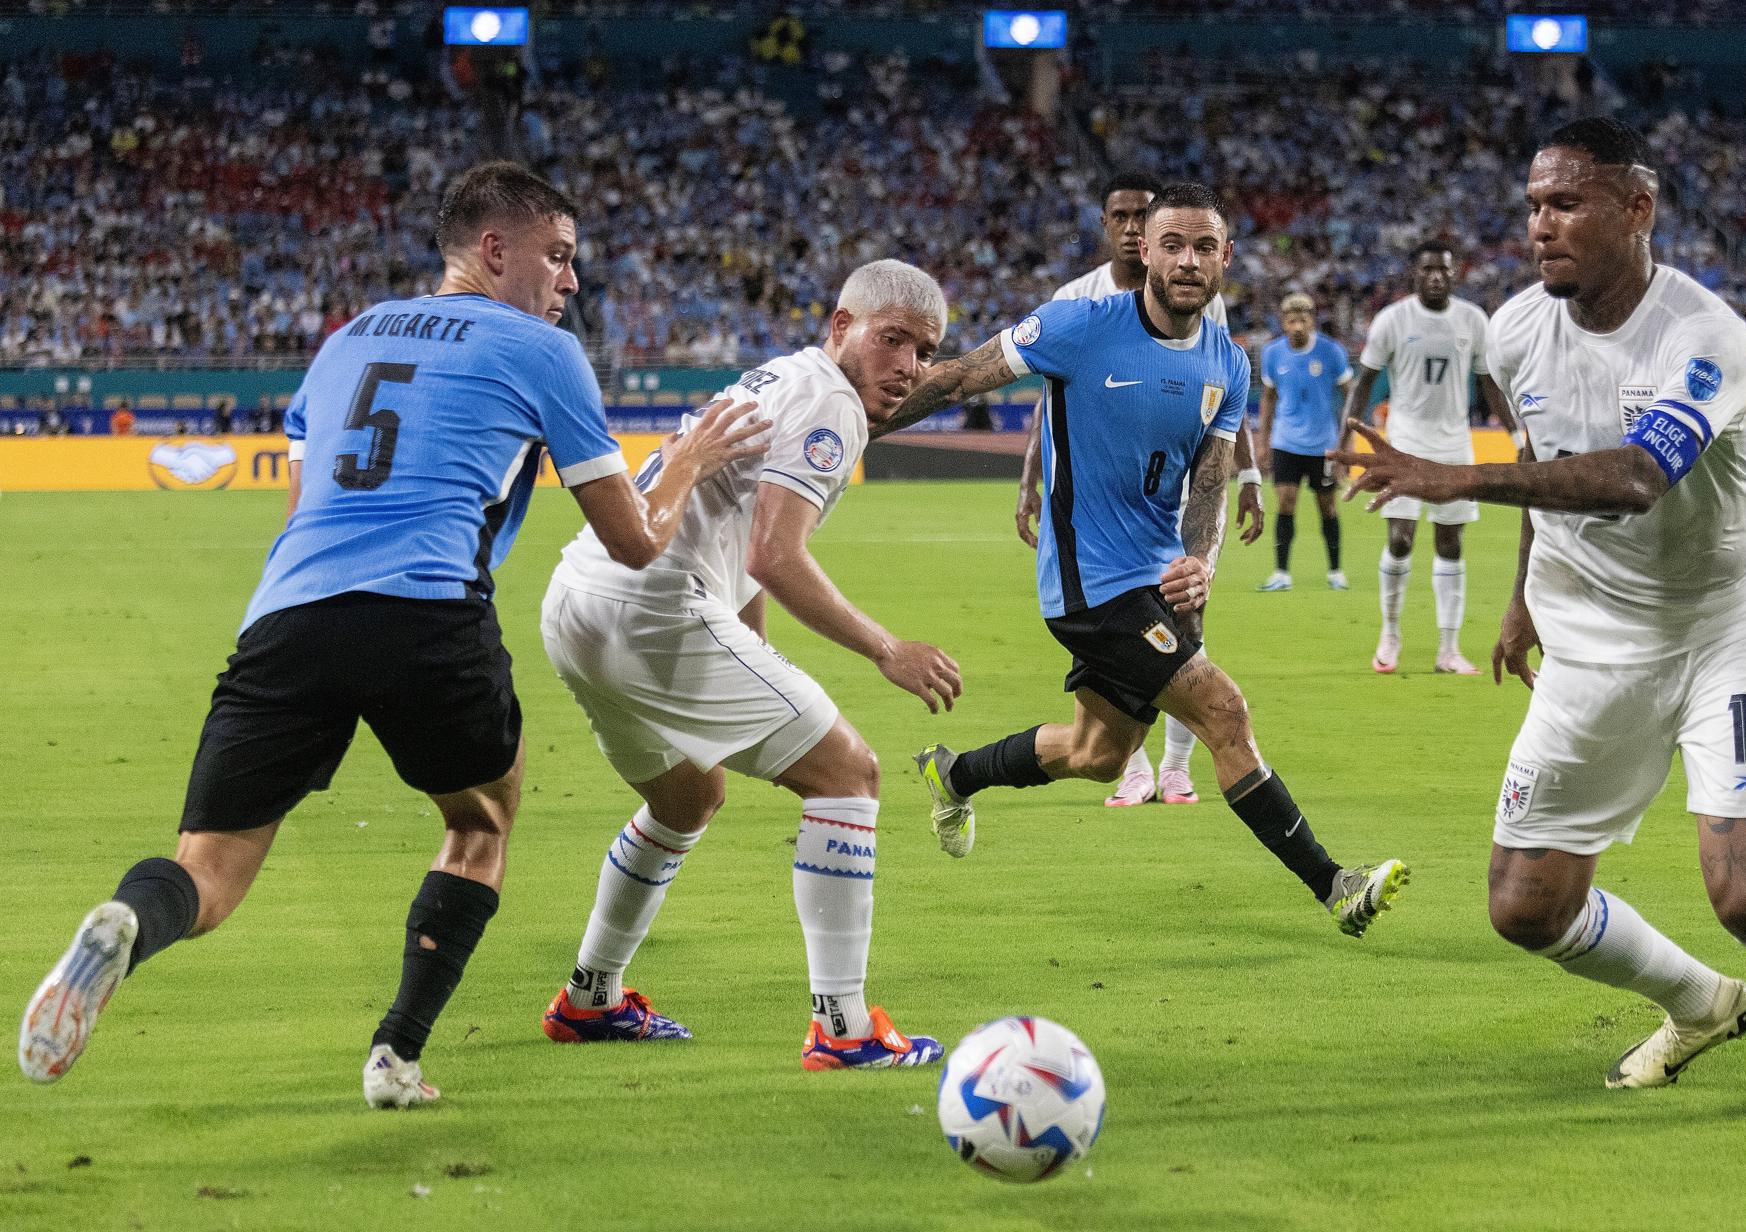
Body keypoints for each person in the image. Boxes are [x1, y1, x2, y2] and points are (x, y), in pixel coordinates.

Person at [18, 162, 770, 1109]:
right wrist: (692, 458)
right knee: (480, 821)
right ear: (496, 252)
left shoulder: (341, 344)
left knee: (205, 868)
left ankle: (129, 921)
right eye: (560, 257)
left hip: (287, 616)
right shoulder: (543, 352)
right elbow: (632, 542)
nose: (571, 283)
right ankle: (397, 1055)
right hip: (427, 612)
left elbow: (299, 511)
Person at [1332, 117, 1746, 1122]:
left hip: (1723, 626)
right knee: (1525, 906)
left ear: (1635, 209)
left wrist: (1451, 474)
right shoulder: (1512, 329)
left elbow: (1636, 476)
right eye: (1533, 208)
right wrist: (1519, 598)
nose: (1542, 226)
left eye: (1566, 203)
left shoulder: (1703, 335)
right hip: (1589, 633)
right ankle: (1698, 1002)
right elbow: (1548, 467)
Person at [879, 184, 1408, 938]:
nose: (1186, 261)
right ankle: (1334, 886)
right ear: (1144, 251)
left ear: (1225, 258)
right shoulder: (1079, 327)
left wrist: (1202, 561)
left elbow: (1212, 477)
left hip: (1156, 578)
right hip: (1089, 582)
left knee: (1097, 754)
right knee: (1225, 712)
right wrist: (851, 420)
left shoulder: (1228, 362)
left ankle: (953, 774)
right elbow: (960, 375)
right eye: (1171, 245)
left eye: (1203, 247)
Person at [537, 260, 952, 1069]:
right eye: (892, 340)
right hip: (652, 610)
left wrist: (756, 649)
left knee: (688, 794)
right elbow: (773, 555)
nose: (907, 366)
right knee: (849, 775)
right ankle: (843, 1027)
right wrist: (886, 649)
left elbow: (740, 551)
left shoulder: (779, 379)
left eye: (925, 352)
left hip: (578, 601)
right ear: (841, 328)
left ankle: (591, 999)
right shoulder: (832, 401)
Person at [1014, 172, 1265, 810]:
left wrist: (1250, 478)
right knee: (1200, 691)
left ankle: (1175, 768)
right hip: (1102, 541)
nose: (1131, 227)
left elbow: (1224, 401)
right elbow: (1050, 399)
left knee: (1121, 722)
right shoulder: (1079, 303)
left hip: (1177, 517)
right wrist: (1030, 481)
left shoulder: (1203, 303)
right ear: (1119, 230)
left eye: (1138, 214)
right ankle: (1329, 881)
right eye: (1123, 217)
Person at [1338, 241, 1518, 675]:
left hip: (1455, 446)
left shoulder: (1473, 320)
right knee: (1400, 538)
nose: (1436, 276)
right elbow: (1364, 384)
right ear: (1414, 275)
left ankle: (1449, 649)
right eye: (1427, 270)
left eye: (1444, 270)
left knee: (1450, 542)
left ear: (1455, 275)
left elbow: (1489, 383)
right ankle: (1391, 633)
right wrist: (1348, 440)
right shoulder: (1393, 320)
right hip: (1403, 444)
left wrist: (1516, 433)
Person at [1254, 291, 1352, 591]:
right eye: (1292, 320)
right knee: (1285, 501)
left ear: (1312, 321)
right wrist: (1263, 441)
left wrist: (1348, 443)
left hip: (1323, 444)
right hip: (1286, 442)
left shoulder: (1331, 352)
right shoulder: (1272, 354)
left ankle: (1335, 572)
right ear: (1283, 323)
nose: (1298, 325)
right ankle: (1281, 573)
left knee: (1327, 506)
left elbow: (1351, 396)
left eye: (1303, 319)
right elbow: (1268, 399)